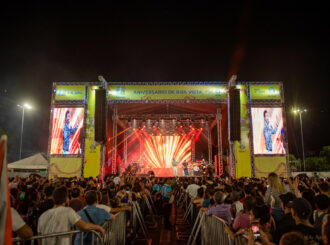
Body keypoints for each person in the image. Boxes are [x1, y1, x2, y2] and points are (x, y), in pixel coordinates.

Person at [38, 187, 104, 245]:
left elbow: (39, 237)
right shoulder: (68, 211)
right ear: (66, 199)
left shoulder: (42, 216)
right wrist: (99, 228)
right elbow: (85, 226)